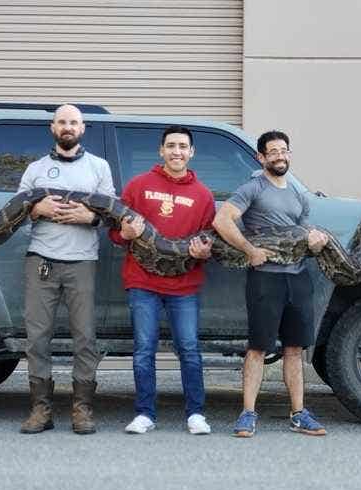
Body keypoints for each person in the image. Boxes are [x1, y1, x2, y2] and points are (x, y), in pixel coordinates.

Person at [212, 130, 330, 438]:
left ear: (289, 154)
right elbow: (222, 220)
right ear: (261, 158)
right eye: (272, 152)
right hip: (266, 279)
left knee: (294, 349)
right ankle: (247, 413)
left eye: (283, 150)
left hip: (298, 278)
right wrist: (250, 251)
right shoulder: (253, 188)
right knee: (258, 348)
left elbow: (303, 235)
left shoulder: (298, 195)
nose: (279, 156)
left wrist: (316, 243)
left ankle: (298, 413)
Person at [18, 104, 115, 435]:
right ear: (52, 127)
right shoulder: (35, 169)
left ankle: (82, 409)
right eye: (62, 122)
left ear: (83, 128)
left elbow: (111, 212)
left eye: (73, 122)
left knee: (85, 337)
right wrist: (36, 208)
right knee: (37, 338)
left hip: (82, 262)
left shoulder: (99, 167)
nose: (68, 127)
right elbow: (17, 212)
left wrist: (91, 217)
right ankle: (40, 410)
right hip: (41, 260)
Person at [111, 126, 215, 435]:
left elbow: (210, 240)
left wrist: (205, 252)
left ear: (191, 152)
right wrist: (124, 234)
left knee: (189, 348)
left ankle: (196, 414)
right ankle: (145, 414)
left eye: (183, 146)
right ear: (161, 150)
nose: (177, 151)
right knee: (144, 349)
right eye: (171, 145)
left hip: (185, 286)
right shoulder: (138, 186)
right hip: (142, 282)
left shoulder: (204, 195)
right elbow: (114, 232)